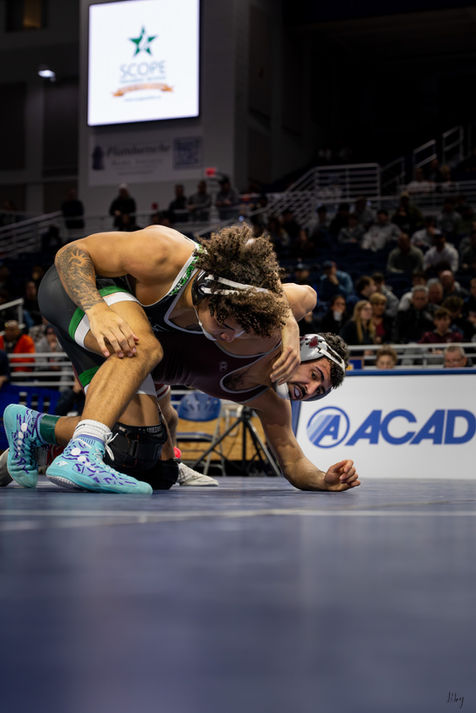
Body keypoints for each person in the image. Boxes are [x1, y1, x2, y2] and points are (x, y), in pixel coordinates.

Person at [8, 224, 311, 494]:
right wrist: (96, 310)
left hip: (117, 325)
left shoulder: (238, 293)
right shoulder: (165, 252)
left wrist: (289, 323)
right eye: (227, 325)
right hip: (75, 289)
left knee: (138, 448)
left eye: (242, 330)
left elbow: (303, 293)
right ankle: (81, 453)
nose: (230, 337)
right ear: (209, 292)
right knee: (146, 347)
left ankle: (32, 431)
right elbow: (71, 253)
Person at [2, 331, 360, 494]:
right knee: (136, 444)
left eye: (319, 392)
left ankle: (34, 449)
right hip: (124, 341)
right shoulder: (259, 335)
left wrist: (323, 480)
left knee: (161, 468)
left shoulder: (272, 402)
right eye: (315, 376)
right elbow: (294, 294)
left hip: (153, 368)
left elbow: (293, 460)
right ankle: (36, 426)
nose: (309, 390)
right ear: (303, 349)